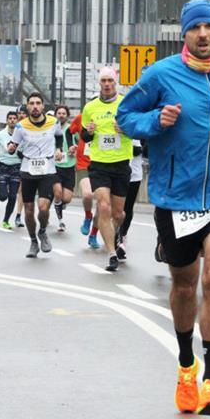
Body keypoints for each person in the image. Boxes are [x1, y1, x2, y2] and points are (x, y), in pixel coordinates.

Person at [117, 0, 210, 417]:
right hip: (175, 194)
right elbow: (126, 116)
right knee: (183, 283)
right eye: (194, 28)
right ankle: (185, 366)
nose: (202, 34)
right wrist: (155, 120)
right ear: (184, 34)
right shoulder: (161, 74)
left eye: (208, 28)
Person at [80, 67, 133, 271]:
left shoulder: (126, 104)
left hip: (121, 163)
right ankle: (111, 253)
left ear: (115, 82)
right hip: (99, 165)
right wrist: (89, 132)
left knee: (118, 214)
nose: (107, 84)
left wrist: (126, 129)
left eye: (110, 80)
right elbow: (84, 136)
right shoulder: (90, 107)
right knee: (103, 206)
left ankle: (115, 233)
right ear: (99, 83)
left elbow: (137, 129)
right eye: (104, 81)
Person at [7, 92, 63, 258]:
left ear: (43, 106)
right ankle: (33, 241)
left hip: (47, 170)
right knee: (29, 211)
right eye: (31, 103)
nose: (35, 106)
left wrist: (59, 150)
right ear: (27, 106)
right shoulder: (20, 126)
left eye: (38, 103)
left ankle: (43, 231)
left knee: (44, 207)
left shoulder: (54, 122)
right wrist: (11, 148)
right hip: (27, 170)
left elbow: (59, 137)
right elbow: (13, 144)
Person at [0, 110, 22, 229]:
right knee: (4, 196)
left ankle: (6, 220)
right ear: (7, 121)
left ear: (17, 120)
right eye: (10, 118)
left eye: (14, 118)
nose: (12, 120)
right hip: (3, 166)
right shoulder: (0, 134)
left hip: (16, 167)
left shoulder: (21, 134)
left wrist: (22, 154)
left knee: (13, 196)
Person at [116, 139, 144, 261]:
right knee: (117, 208)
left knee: (128, 207)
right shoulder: (117, 124)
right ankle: (116, 238)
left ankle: (123, 235)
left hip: (135, 174)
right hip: (117, 172)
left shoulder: (141, 125)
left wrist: (140, 149)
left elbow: (146, 146)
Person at [53, 105, 77, 232]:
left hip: (69, 166)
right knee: (58, 193)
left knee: (66, 198)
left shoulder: (72, 129)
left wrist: (75, 148)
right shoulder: (51, 128)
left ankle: (58, 204)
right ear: (56, 115)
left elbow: (81, 143)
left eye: (63, 113)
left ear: (67, 116)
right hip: (55, 166)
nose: (61, 115)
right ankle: (60, 221)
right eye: (59, 113)